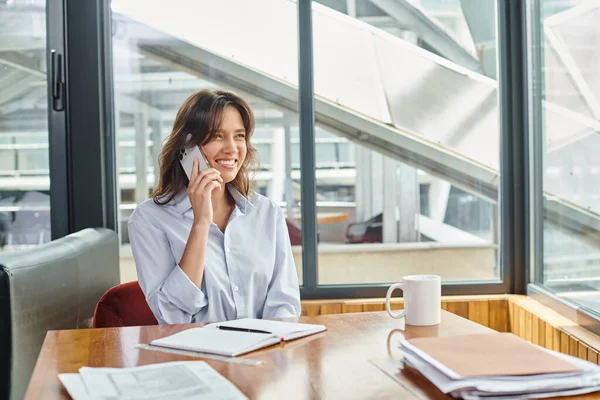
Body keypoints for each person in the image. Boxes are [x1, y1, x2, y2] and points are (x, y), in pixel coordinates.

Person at [128, 89, 301, 325]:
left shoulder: (267, 213)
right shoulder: (150, 219)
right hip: (194, 355)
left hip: (263, 355)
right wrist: (200, 222)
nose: (232, 148)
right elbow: (172, 316)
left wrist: (270, 349)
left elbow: (285, 304)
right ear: (188, 147)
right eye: (218, 136)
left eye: (239, 136)